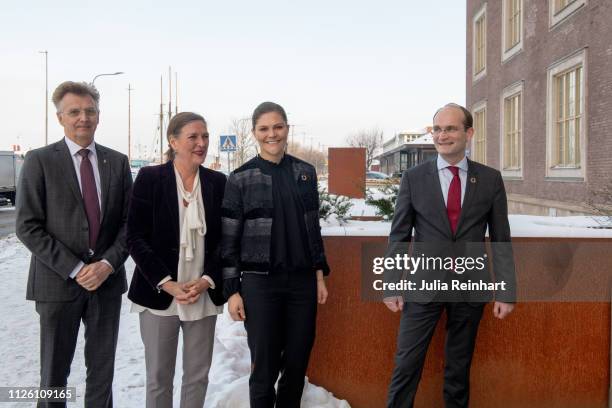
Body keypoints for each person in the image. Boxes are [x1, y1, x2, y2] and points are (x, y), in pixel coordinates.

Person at [384, 103, 517, 408]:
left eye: (451, 128)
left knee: (459, 369)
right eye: (438, 129)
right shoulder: (414, 178)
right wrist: (391, 283)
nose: (443, 136)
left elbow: (500, 238)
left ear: (468, 133)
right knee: (406, 366)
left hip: (470, 287)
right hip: (422, 286)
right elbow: (399, 234)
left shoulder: (490, 179)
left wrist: (506, 291)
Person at [16, 81, 132, 407]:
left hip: (106, 285)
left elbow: (129, 225)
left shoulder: (118, 162)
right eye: (75, 112)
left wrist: (107, 264)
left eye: (90, 111)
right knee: (53, 377)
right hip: (56, 285)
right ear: (60, 117)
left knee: (101, 375)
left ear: (98, 116)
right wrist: (78, 268)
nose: (83, 117)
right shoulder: (39, 161)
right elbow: (28, 226)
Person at [221, 101, 330, 407]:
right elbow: (228, 241)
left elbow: (313, 229)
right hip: (260, 285)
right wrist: (232, 291)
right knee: (264, 368)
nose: (272, 134)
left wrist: (319, 275)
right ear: (255, 133)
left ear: (287, 128)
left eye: (278, 127)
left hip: (302, 283)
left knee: (297, 363)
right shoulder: (241, 177)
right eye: (264, 129)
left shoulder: (305, 173)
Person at [127, 112, 226, 408]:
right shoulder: (150, 179)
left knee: (198, 376)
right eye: (193, 137)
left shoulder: (218, 182)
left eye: (205, 136)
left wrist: (208, 280)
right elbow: (134, 237)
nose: (201, 143)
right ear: (173, 141)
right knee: (158, 377)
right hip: (159, 295)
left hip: (202, 294)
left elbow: (228, 240)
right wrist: (166, 283)